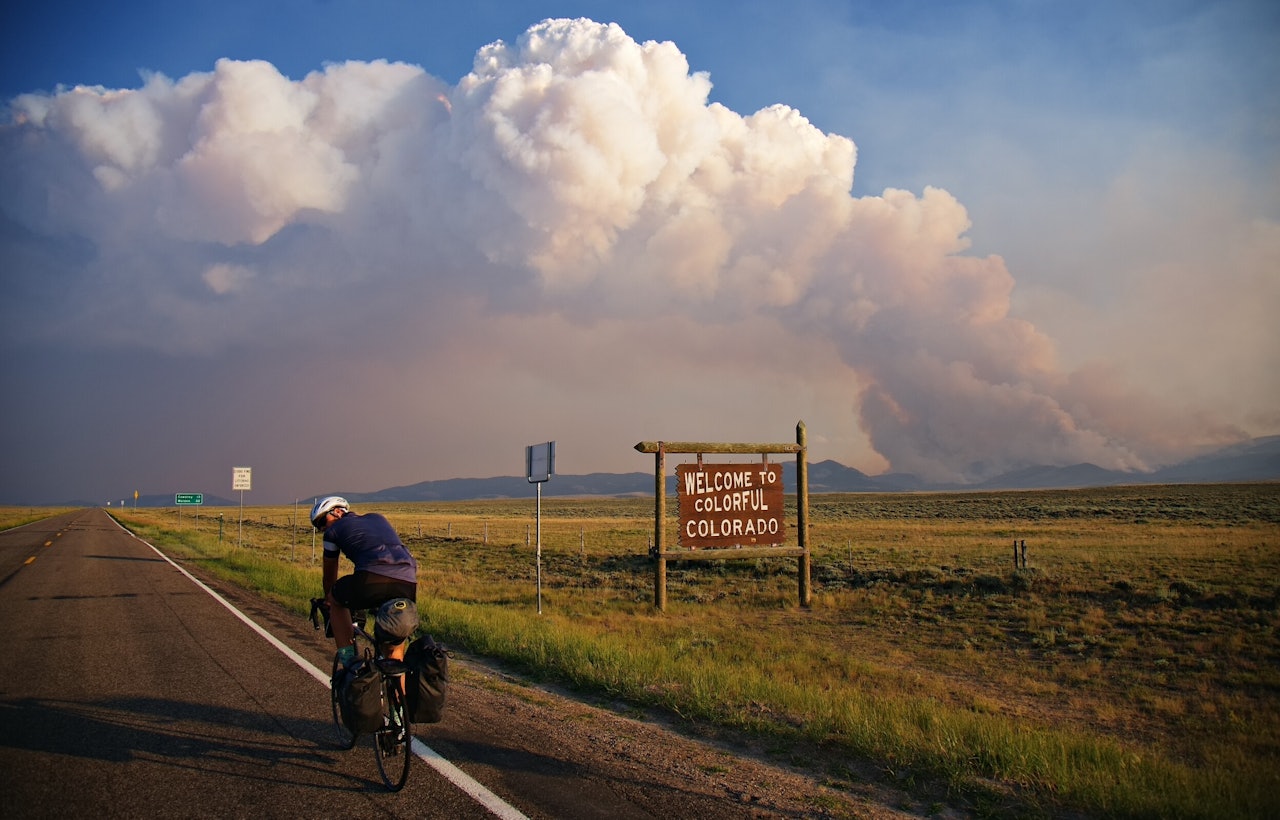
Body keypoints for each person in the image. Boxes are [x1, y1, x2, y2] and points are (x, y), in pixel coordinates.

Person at [311, 496, 418, 667]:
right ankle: (399, 692)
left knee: (334, 598)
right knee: (395, 656)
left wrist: (327, 600)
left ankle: (349, 663)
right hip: (408, 581)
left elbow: (329, 576)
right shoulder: (378, 517)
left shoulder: (332, 532)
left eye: (323, 521)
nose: (322, 528)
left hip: (372, 578)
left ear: (338, 512)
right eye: (318, 527)